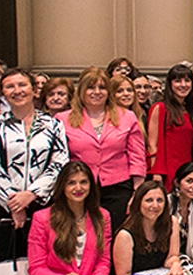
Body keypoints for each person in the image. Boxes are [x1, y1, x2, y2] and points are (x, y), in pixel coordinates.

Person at [0, 68, 70, 263]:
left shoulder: (52, 125)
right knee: (6, 266)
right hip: (4, 207)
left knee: (44, 263)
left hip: (43, 204)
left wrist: (31, 194)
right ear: (3, 92)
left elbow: (59, 161)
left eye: (22, 85)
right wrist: (13, 203)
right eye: (10, 86)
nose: (17, 90)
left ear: (34, 90)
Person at [60, 67, 147, 232]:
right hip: (80, 189)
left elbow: (137, 156)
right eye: (91, 88)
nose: (96, 92)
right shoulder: (63, 119)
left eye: (102, 88)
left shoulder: (126, 116)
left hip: (119, 188)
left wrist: (137, 191)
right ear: (82, 91)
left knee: (115, 234)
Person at [146, 64, 193, 191]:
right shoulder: (160, 108)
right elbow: (152, 144)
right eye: (177, 81)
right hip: (167, 169)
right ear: (170, 84)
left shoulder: (189, 110)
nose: (183, 85)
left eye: (187, 80)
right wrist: (156, 173)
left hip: (187, 168)